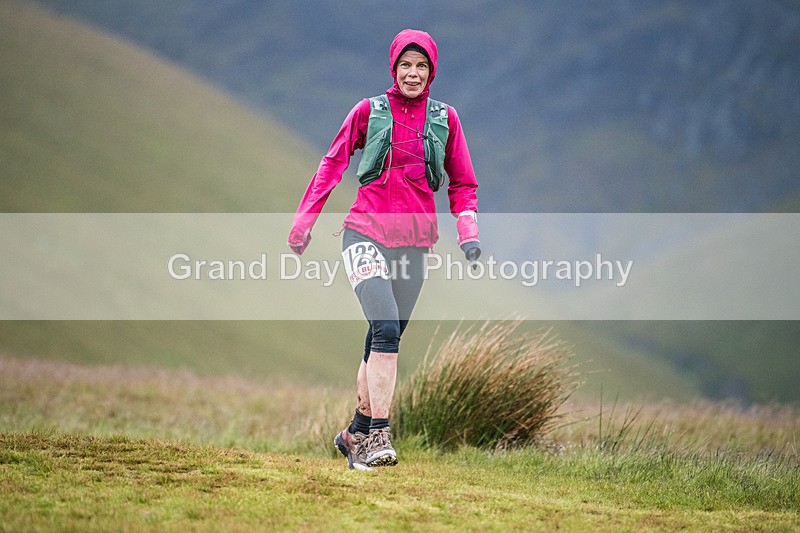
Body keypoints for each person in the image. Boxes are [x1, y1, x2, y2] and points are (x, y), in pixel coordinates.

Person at [288, 29, 480, 470]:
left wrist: (468, 234)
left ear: (432, 71)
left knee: (381, 338)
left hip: (415, 243)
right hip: (364, 233)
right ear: (393, 68)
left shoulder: (446, 119)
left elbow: (463, 183)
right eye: (405, 65)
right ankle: (377, 437)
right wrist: (303, 226)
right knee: (388, 332)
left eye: (422, 66)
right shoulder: (367, 112)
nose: (413, 74)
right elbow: (331, 165)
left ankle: (353, 433)